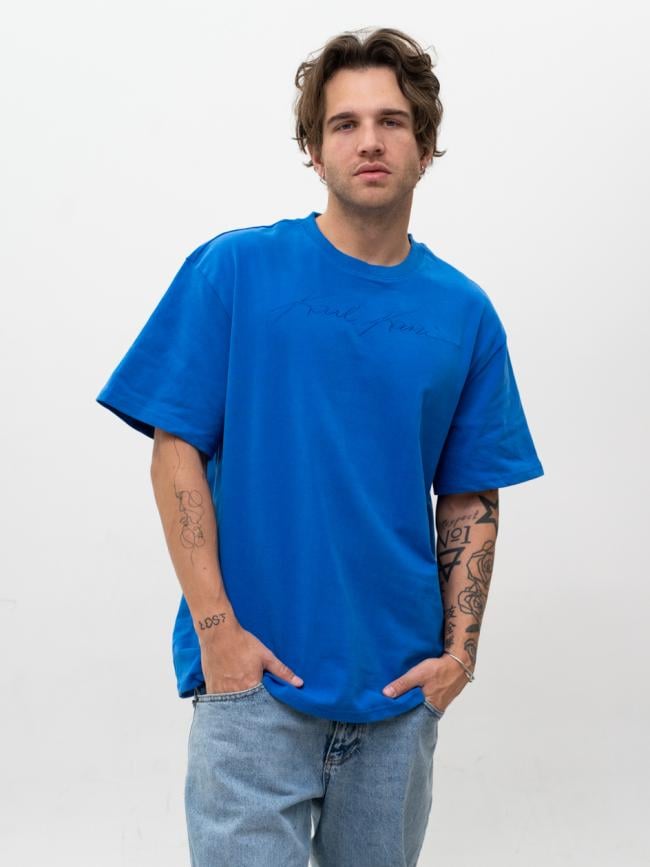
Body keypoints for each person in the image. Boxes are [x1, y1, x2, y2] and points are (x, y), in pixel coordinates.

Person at [96, 25, 544, 867]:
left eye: (392, 121)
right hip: (254, 687)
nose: (369, 140)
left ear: (425, 146)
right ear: (313, 147)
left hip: (398, 697)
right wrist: (217, 631)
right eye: (345, 123)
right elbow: (173, 449)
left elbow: (471, 493)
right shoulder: (235, 271)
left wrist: (459, 657)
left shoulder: (465, 313)